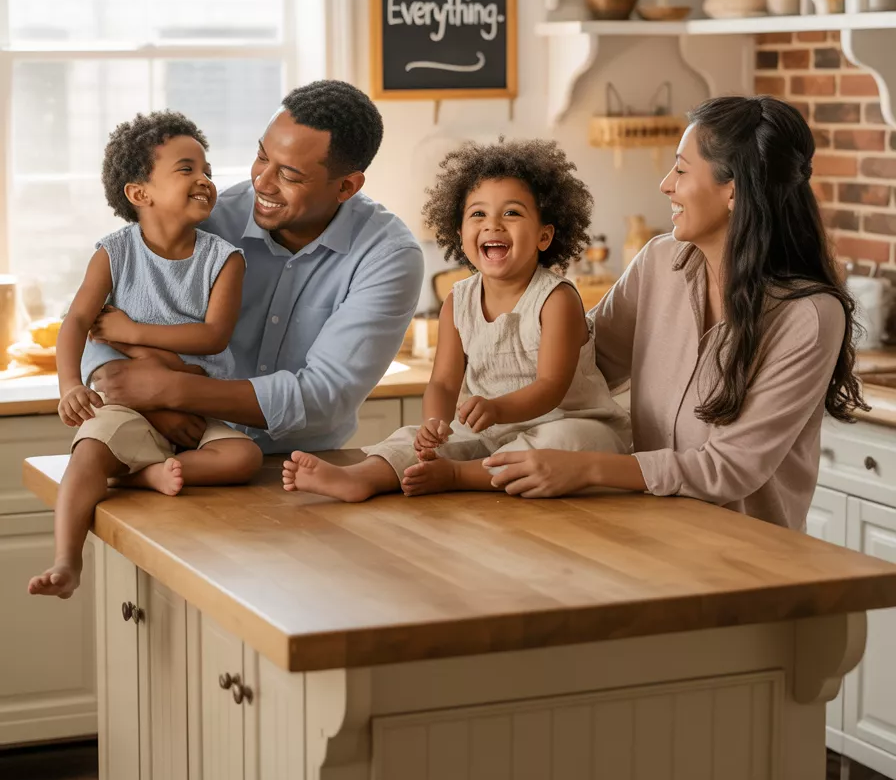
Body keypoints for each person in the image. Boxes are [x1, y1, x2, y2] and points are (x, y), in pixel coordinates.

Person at [482, 96, 866, 530]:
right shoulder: (659, 262)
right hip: (652, 536)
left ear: (733, 189)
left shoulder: (808, 316)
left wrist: (585, 468)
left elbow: (729, 468)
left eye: (681, 170)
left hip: (749, 561)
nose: (666, 184)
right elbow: (580, 366)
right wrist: (502, 311)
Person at [282, 139, 631, 501]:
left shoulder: (556, 299)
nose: (493, 224)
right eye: (478, 214)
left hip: (566, 422)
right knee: (413, 438)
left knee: (562, 443)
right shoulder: (458, 300)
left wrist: (497, 408)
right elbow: (444, 384)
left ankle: (459, 475)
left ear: (544, 235)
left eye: (511, 213)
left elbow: (551, 386)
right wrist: (436, 423)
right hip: (488, 428)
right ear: (459, 233)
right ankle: (361, 477)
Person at [90, 81, 424, 455]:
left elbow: (325, 397)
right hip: (180, 450)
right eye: (263, 157)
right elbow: (95, 315)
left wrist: (170, 390)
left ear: (346, 186)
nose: (261, 183)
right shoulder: (207, 217)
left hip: (306, 465)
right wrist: (152, 409)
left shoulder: (387, 256)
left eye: (290, 176)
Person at [28, 112, 263, 598]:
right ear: (140, 194)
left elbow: (214, 336)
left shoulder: (225, 259)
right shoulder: (113, 254)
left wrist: (131, 331)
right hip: (129, 406)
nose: (204, 179)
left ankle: (143, 476)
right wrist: (69, 385)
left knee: (243, 457)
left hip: (197, 406)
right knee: (87, 453)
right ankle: (67, 562)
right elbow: (75, 323)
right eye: (186, 169)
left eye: (208, 170)